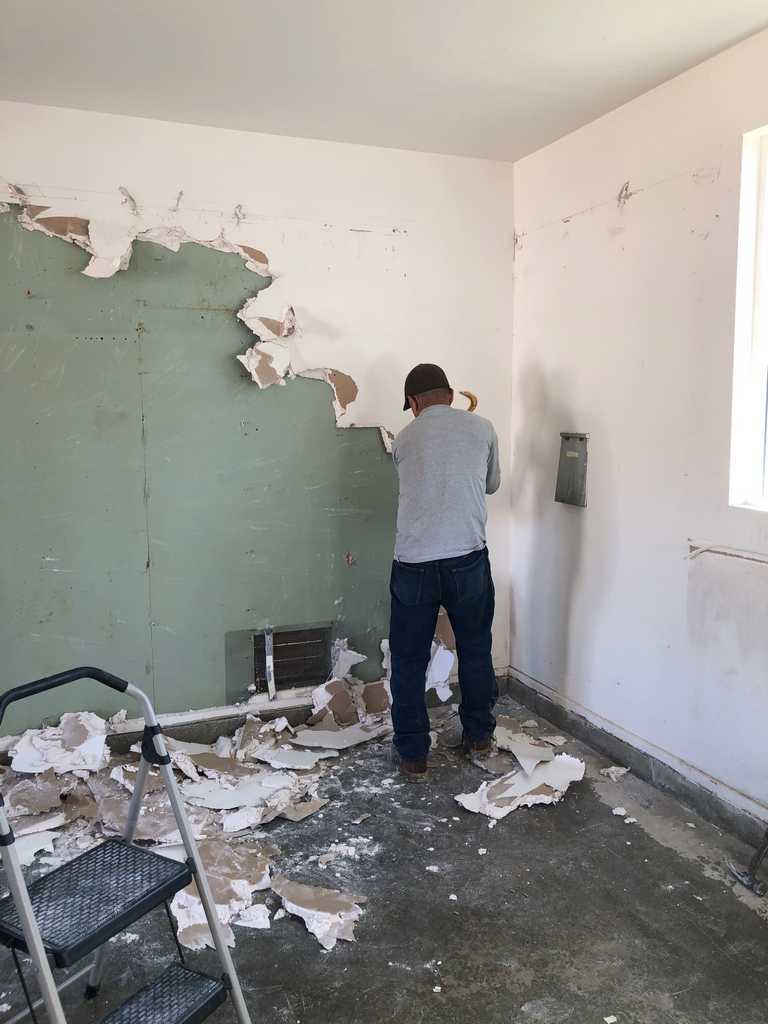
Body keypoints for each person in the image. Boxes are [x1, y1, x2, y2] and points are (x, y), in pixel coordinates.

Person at [389, 363, 501, 780]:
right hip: (467, 558)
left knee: (408, 659)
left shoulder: (403, 439)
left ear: (414, 403)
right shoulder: (483, 428)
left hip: (414, 564)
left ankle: (414, 755)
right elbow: (491, 484)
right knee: (475, 648)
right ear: (451, 395)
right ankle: (478, 737)